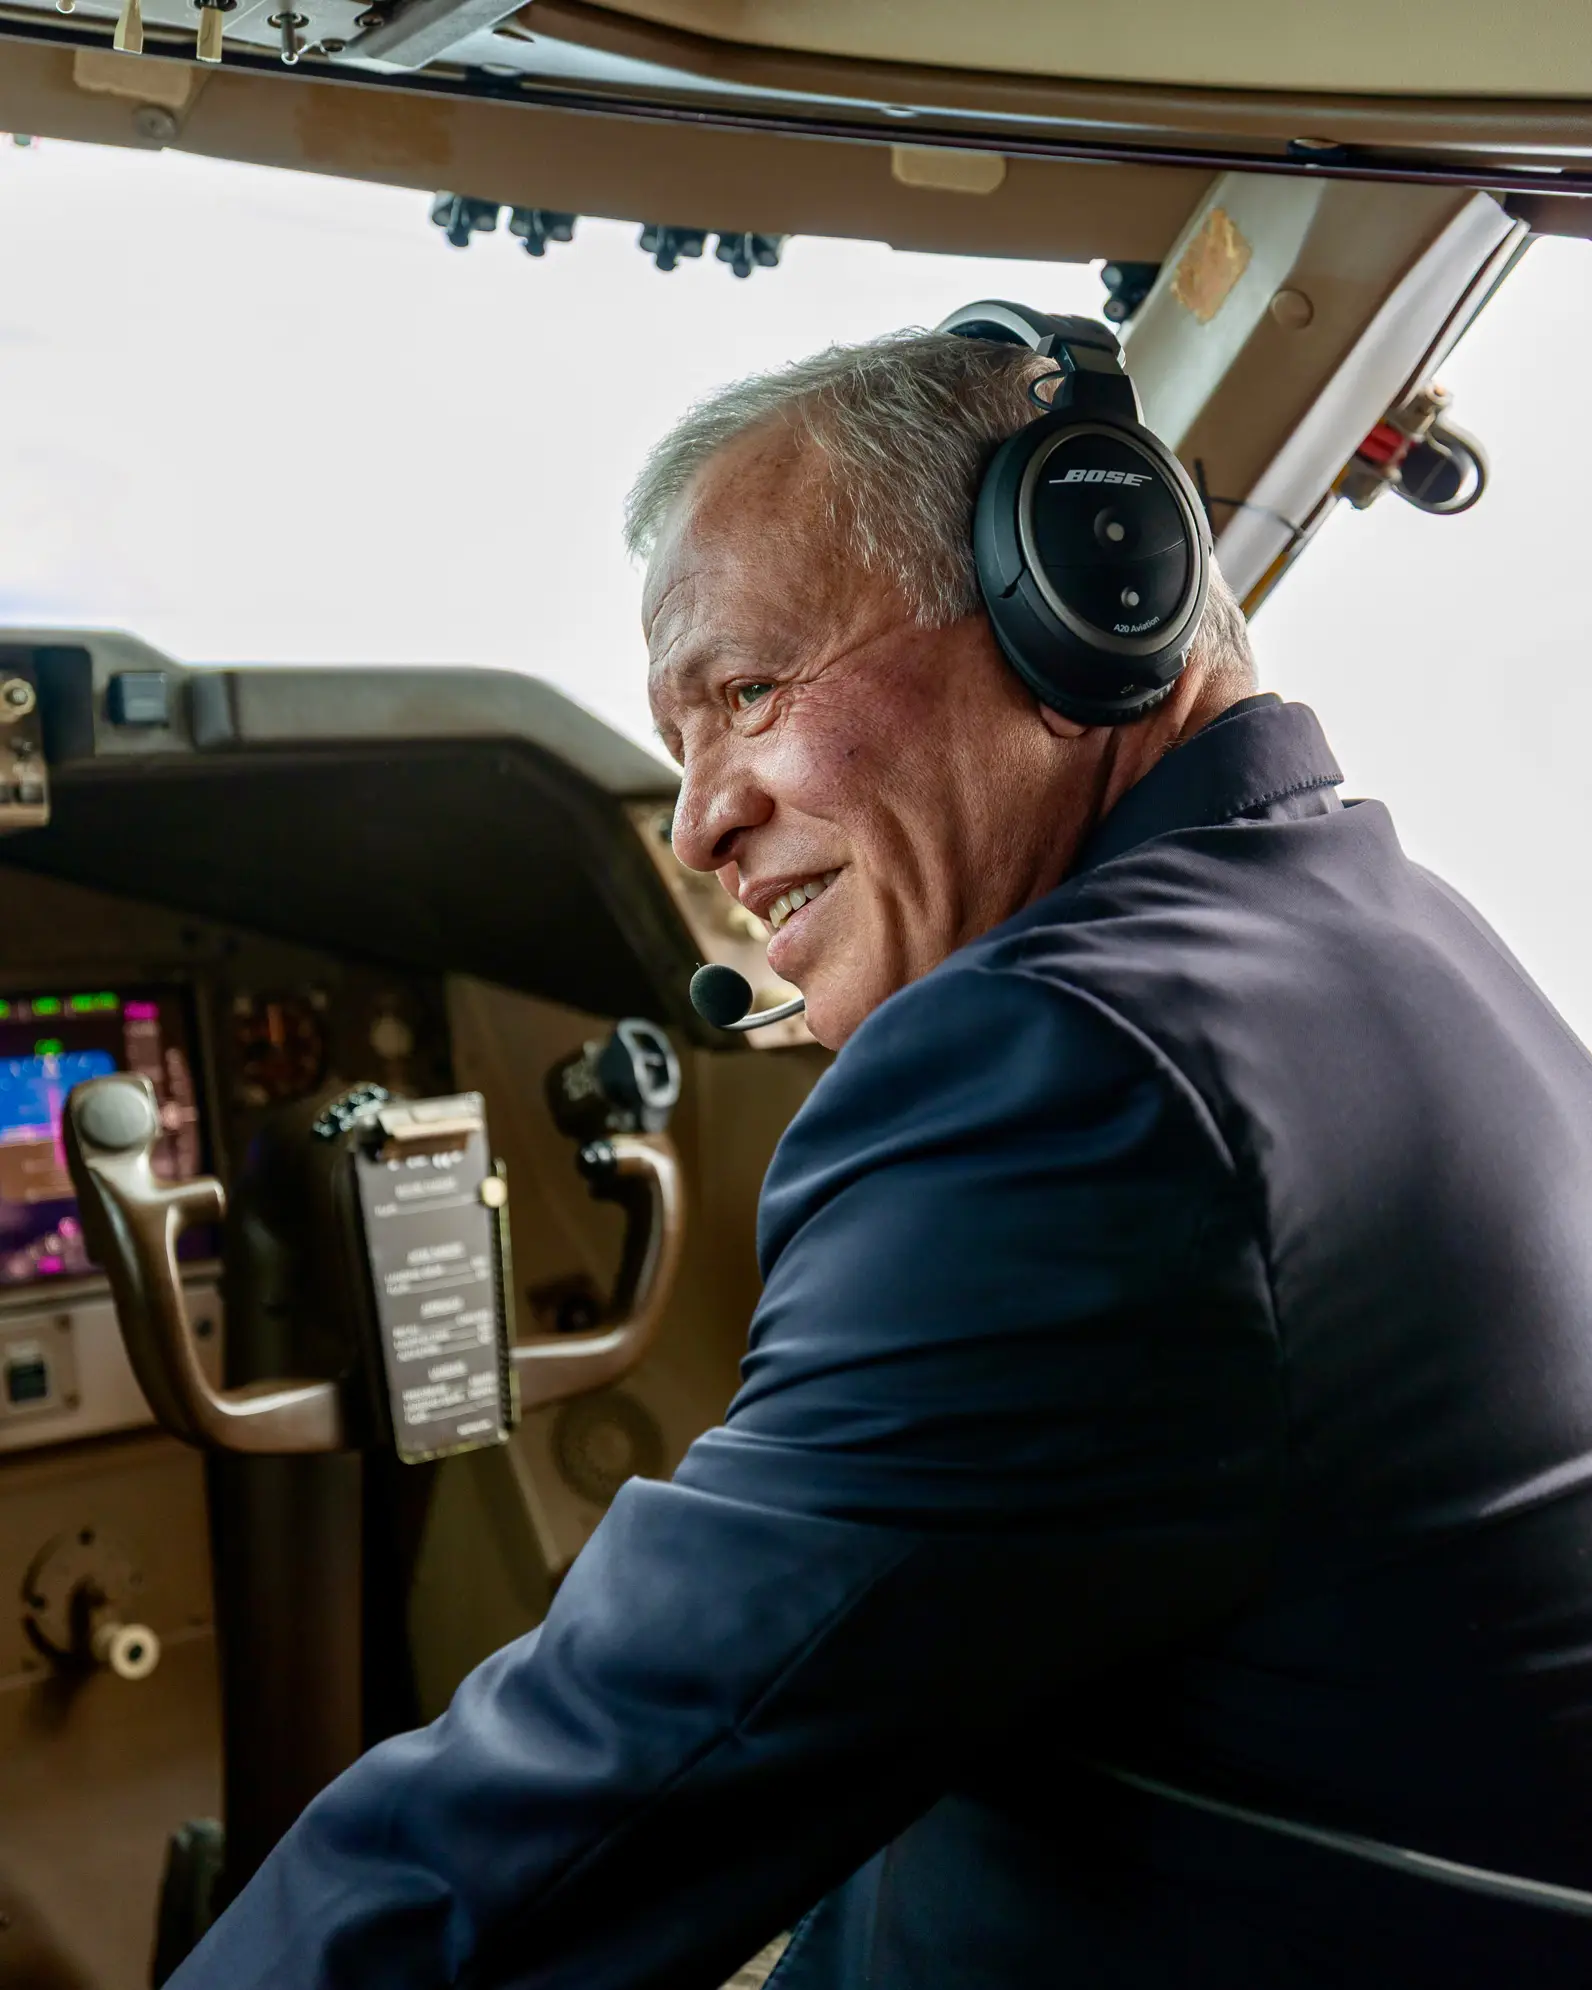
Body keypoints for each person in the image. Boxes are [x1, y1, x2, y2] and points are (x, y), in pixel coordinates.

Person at [170, 325, 1592, 1988]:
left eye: (747, 694)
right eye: (684, 743)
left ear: (1081, 596)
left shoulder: (1074, 1073)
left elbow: (616, 1777)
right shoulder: (1383, 928)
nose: (698, 821)